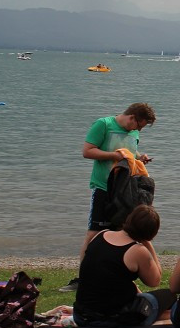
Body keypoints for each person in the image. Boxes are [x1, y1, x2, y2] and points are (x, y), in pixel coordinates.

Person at [64, 102, 156, 292]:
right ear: (132, 117)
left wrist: (139, 157)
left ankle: (114, 275)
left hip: (124, 189)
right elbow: (87, 151)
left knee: (123, 231)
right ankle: (84, 277)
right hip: (103, 187)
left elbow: (129, 152)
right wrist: (113, 156)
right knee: (94, 233)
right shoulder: (103, 125)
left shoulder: (134, 132)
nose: (139, 130)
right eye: (139, 126)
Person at [73, 205, 174, 327]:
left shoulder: (101, 234)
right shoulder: (138, 250)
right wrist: (148, 245)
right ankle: (170, 315)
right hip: (110, 319)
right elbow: (155, 280)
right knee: (169, 296)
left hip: (80, 315)